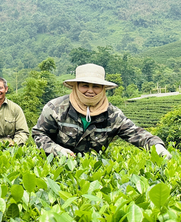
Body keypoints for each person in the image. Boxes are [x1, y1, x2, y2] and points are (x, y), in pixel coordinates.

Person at [33, 63, 171, 158]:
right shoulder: (55, 108)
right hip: (56, 170)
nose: (90, 91)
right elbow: (39, 134)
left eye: (96, 86)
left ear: (103, 89)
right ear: (76, 86)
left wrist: (156, 146)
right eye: (85, 85)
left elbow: (136, 133)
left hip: (94, 173)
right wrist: (57, 150)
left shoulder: (112, 115)